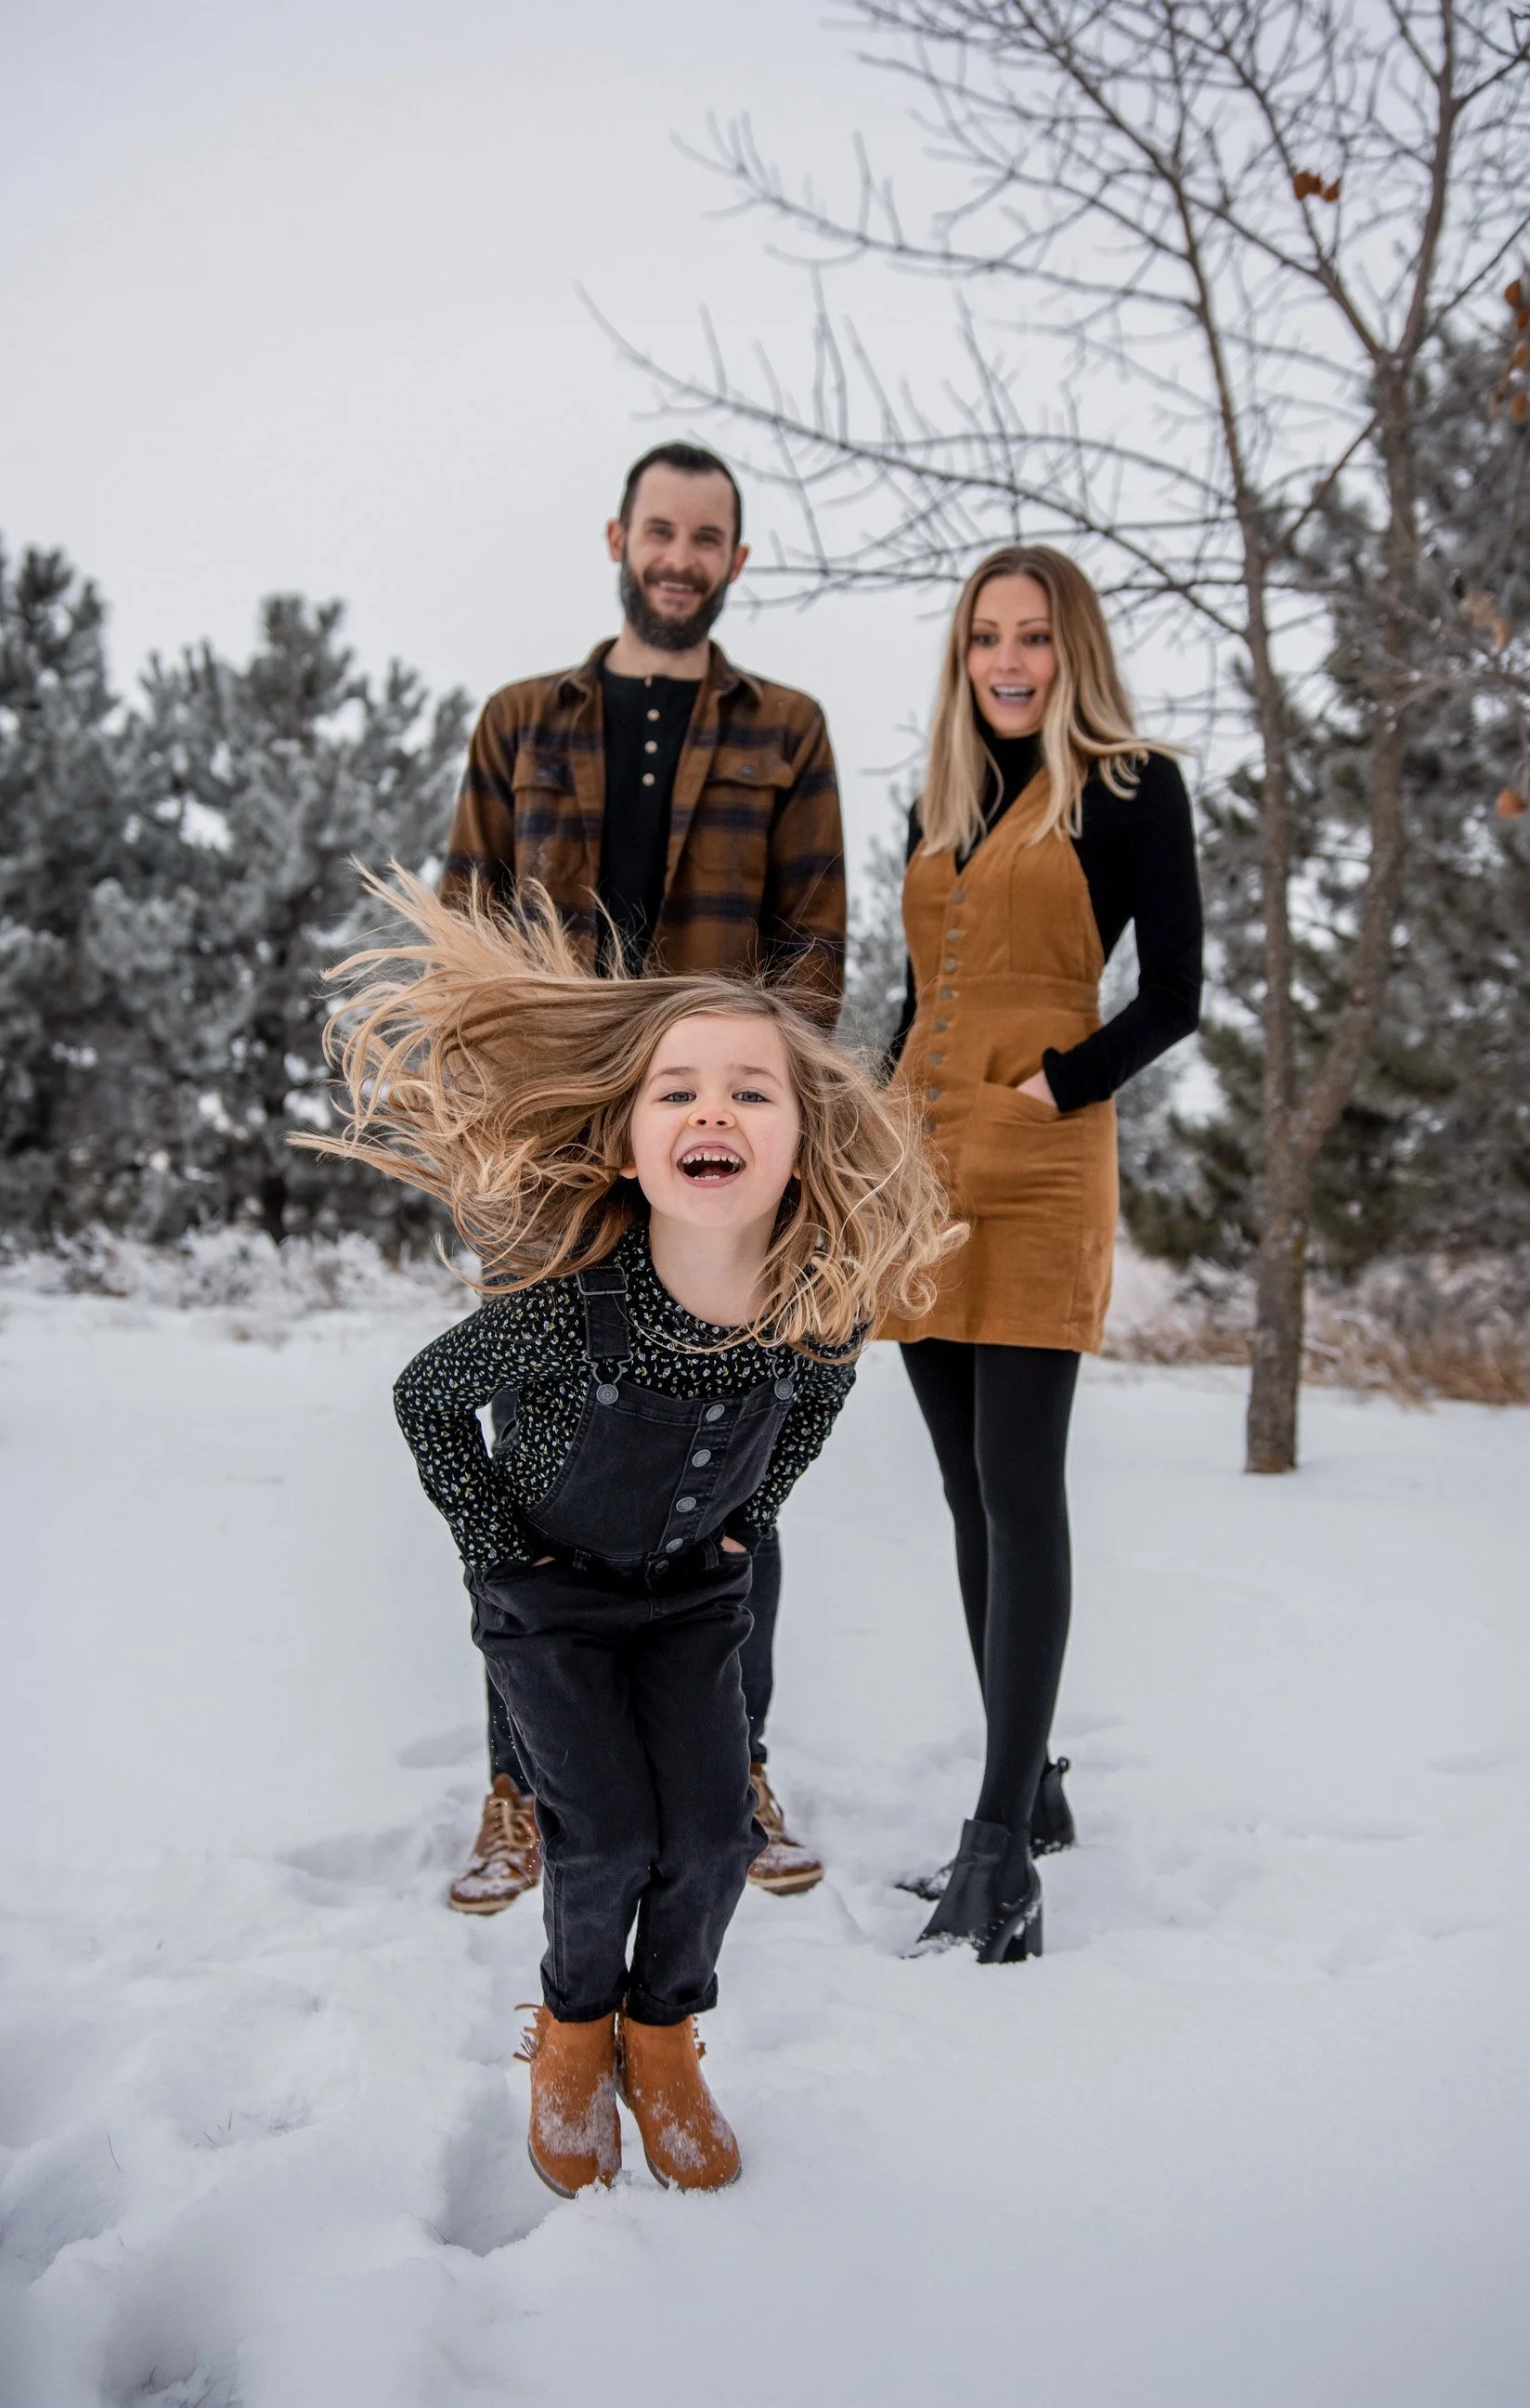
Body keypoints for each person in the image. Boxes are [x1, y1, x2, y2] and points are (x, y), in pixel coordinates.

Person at [309, 874, 951, 2194]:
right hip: (548, 1603)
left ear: (801, 1140)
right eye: (678, 1089)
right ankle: (573, 2026)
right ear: (625, 1141)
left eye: (750, 1089)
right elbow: (426, 1397)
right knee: (599, 1836)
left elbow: (815, 1409)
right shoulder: (564, 1309)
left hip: (692, 1600)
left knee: (711, 1838)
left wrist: (747, 1524)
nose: (713, 1107)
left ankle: (663, 2034)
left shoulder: (817, 1311)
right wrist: (495, 1550)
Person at [437, 440, 846, 1918]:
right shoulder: (519, 723)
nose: (678, 555)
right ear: (618, 535)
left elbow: (811, 955)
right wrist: (492, 1124)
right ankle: (520, 1788)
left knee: (735, 1454)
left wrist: (756, 1120)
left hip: (720, 1152)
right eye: (658, 530)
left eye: (708, 536)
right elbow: (460, 946)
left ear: (737, 557)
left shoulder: (788, 729)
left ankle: (730, 1755)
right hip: (551, 1162)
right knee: (533, 1461)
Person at [882, 545, 1203, 1964]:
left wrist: (1053, 1090)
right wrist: (866, 1145)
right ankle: (1039, 1785)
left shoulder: (1133, 786)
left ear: (1072, 648)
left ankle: (999, 1849)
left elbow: (1177, 994)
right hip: (919, 1171)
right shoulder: (938, 799)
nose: (1006, 662)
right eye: (983, 639)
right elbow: (913, 997)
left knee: (1021, 1489)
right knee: (963, 1494)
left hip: (1036, 1165)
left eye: (1032, 638)